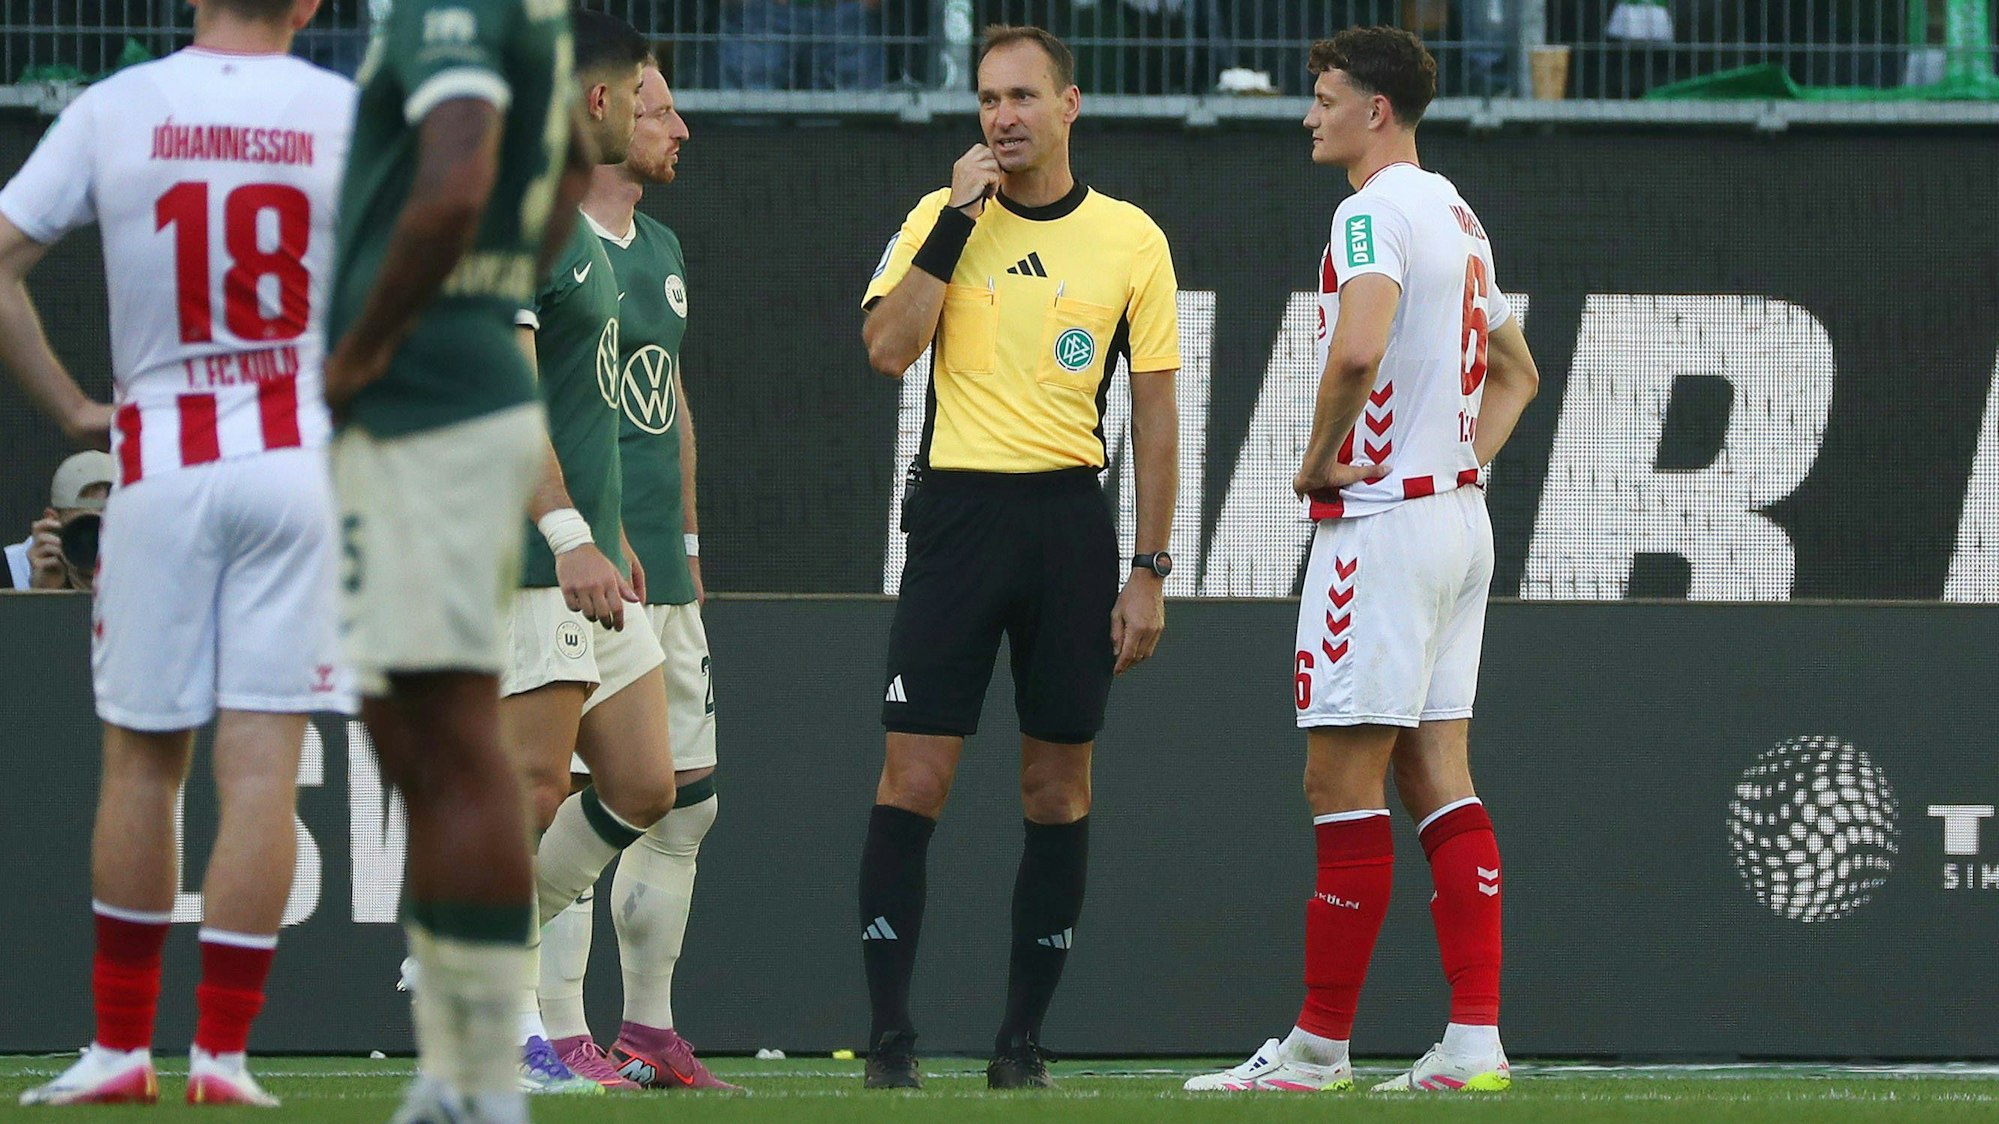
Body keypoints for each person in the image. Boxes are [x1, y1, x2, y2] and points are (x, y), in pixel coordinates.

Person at [0, 0, 354, 1106]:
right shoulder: (348, 113)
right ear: (309, 5)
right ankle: (224, 1056)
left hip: (159, 459)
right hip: (296, 461)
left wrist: (67, 408)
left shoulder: (119, 106)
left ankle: (118, 1049)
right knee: (260, 764)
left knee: (144, 760)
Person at [1183, 26, 1539, 1096]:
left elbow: (1355, 345)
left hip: (1382, 524)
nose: (1310, 114)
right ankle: (1472, 1040)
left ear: (1373, 111)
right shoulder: (1457, 214)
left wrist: (1317, 459)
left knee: (1336, 779)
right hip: (1455, 523)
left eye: (1325, 97)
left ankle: (1316, 1048)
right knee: (1437, 769)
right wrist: (1454, 464)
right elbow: (1519, 371)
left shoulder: (1372, 209)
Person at [856, 24, 1181, 1091]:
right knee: (914, 773)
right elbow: (888, 349)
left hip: (1066, 527)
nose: (1002, 118)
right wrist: (953, 222)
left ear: (1069, 105)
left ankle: (1020, 1043)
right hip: (955, 517)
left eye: (1023, 97)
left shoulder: (1130, 237)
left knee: (1056, 786)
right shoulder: (935, 214)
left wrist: (1149, 566)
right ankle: (891, 1041)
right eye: (988, 99)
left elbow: (1157, 407)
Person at [320, 0, 579, 1115]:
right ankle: (463, 1063)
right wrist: (494, 290)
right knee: (425, 727)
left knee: (445, 737)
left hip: (422, 397)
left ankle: (475, 1073)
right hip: (471, 389)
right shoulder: (534, 15)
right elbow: (565, 165)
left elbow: (459, 174)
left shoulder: (448, 9)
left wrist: (366, 343)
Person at [534, 62, 739, 1093]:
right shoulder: (543, 235)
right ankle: (551, 1021)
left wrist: (688, 543)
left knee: (683, 799)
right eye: (662, 108)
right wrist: (583, 527)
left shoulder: (658, 248)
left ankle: (646, 1028)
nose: (681, 128)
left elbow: (670, 403)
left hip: (659, 556)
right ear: (604, 108)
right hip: (576, 562)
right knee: (577, 787)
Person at [499, 10, 683, 1095]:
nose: (662, 115)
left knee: (643, 781)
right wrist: (567, 531)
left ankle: (462, 942)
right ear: (598, 102)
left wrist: (609, 528)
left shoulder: (576, 219)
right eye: (640, 92)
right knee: (530, 788)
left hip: (586, 547)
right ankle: (497, 1011)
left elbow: (581, 394)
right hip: (523, 547)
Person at [5, 450, 113, 591]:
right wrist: (43, 595)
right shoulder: (8, 572)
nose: (99, 544)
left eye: (114, 530)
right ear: (52, 525)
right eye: (87, 529)